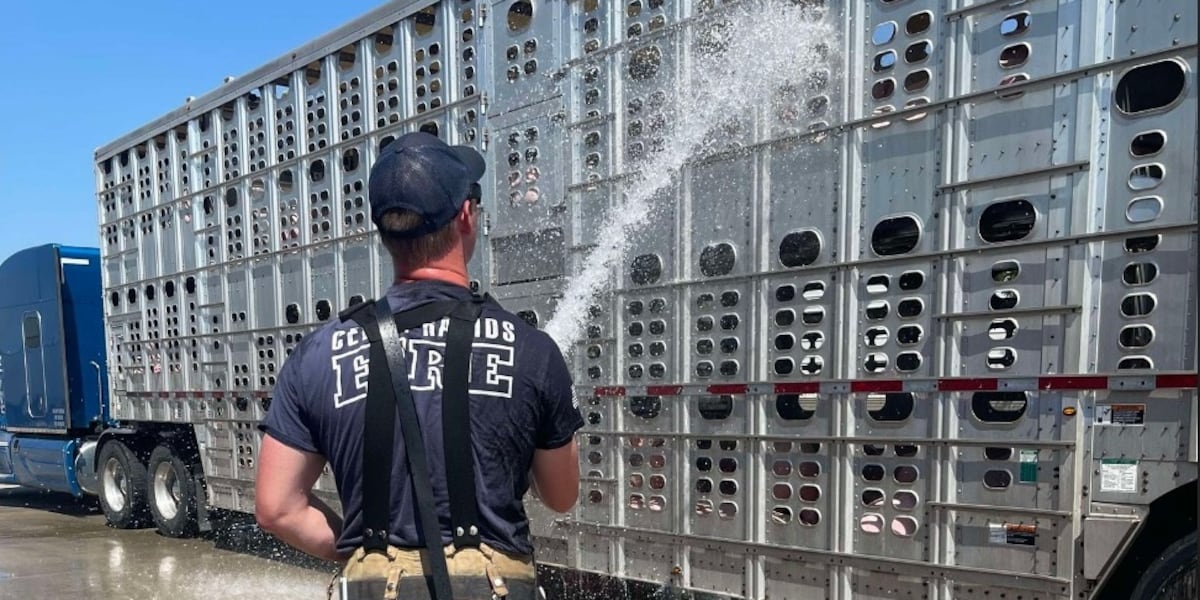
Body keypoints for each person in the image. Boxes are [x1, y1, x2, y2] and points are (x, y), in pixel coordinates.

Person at [254, 131, 583, 599]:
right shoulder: (533, 350)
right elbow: (561, 495)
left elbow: (276, 508)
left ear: (384, 232)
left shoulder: (317, 355)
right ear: (466, 216)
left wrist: (363, 553)